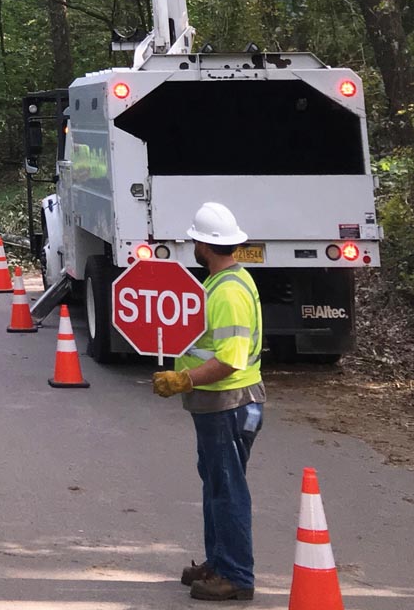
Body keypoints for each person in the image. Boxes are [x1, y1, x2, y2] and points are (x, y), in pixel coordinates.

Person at [152, 201, 265, 601]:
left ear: (203, 244)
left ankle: (236, 575)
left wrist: (184, 379)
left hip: (228, 404)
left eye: (194, 240)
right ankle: (219, 562)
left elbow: (230, 360)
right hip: (221, 406)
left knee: (227, 488)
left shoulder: (228, 293)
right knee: (217, 485)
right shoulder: (227, 280)